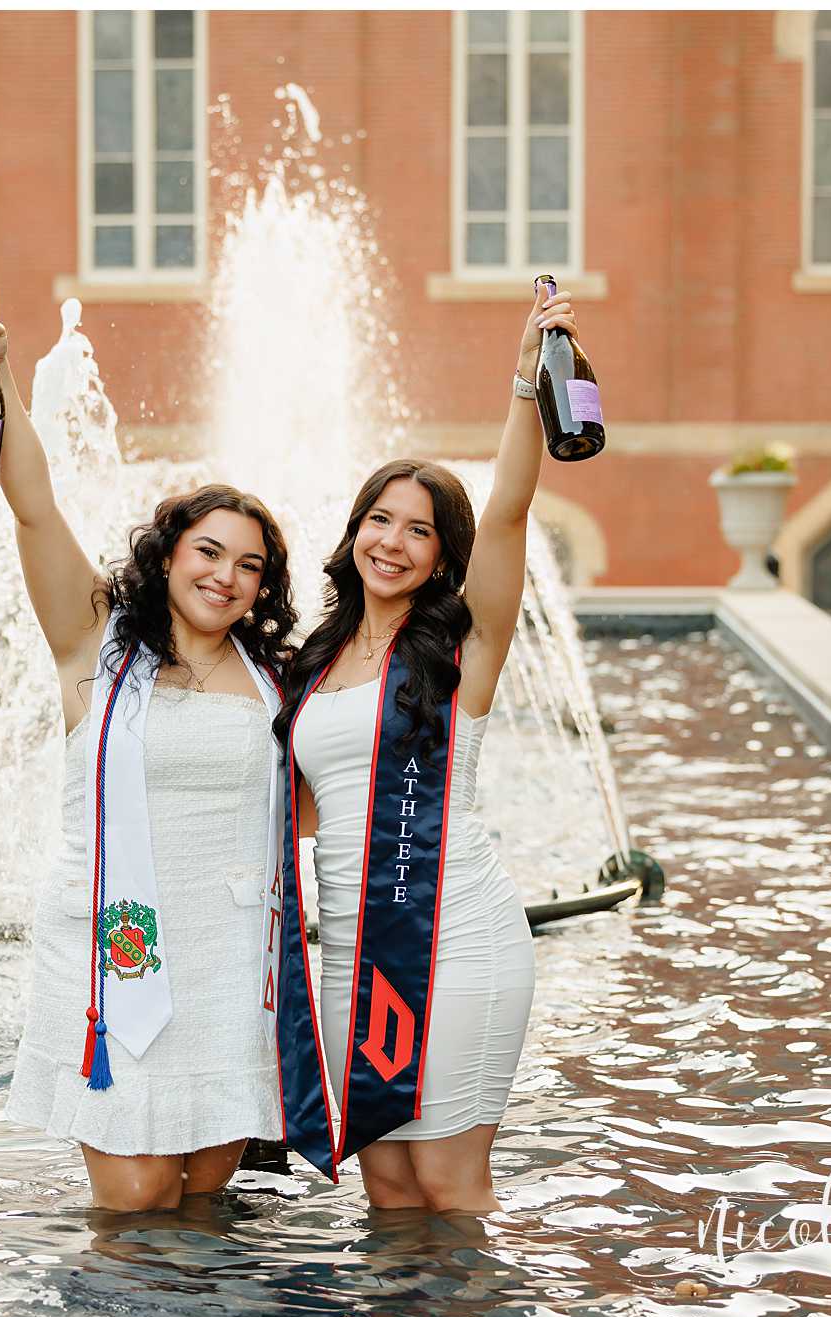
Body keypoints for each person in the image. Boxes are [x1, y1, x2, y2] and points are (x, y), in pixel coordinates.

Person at [0, 307, 296, 1212]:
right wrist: (1, 377)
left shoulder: (273, 679)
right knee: (137, 1201)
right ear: (168, 554)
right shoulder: (97, 647)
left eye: (249, 566)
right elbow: (32, 508)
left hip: (229, 957)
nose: (225, 575)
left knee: (207, 1199)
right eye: (208, 551)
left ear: (265, 586)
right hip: (116, 952)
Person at [269, 284, 582, 1213]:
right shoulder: (313, 665)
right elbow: (298, 808)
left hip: (457, 940)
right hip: (349, 951)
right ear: (353, 531)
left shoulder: (459, 650)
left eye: (420, 530)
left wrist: (527, 383)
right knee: (389, 1189)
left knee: (448, 1182)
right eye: (379, 520)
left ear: (445, 556)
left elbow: (514, 510)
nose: (393, 543)